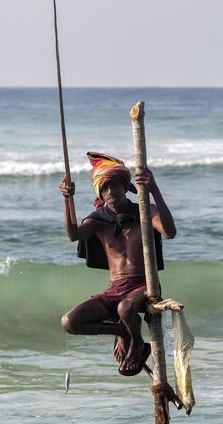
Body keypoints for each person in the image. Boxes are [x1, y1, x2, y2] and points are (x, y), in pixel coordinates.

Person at [60, 152, 177, 376]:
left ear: (126, 187)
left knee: (125, 307)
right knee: (70, 322)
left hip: (145, 287)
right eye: (105, 188)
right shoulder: (97, 220)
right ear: (100, 193)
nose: (111, 192)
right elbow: (73, 234)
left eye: (115, 186)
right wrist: (68, 199)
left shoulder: (144, 211)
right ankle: (123, 331)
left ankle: (136, 342)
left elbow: (170, 232)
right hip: (116, 290)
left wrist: (154, 190)